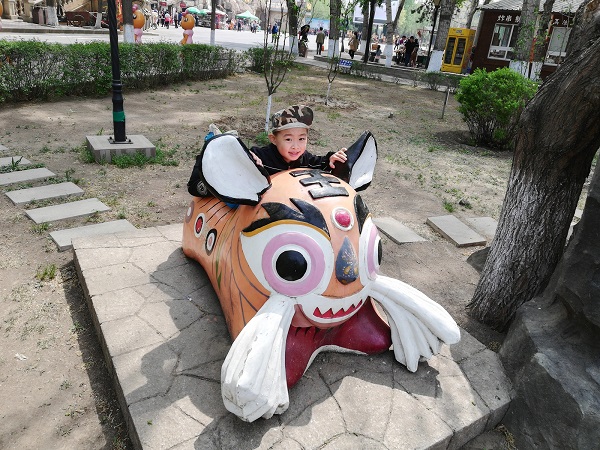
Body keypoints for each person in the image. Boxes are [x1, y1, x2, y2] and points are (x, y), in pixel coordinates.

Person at [187, 105, 347, 197]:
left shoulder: (304, 158)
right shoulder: (261, 156)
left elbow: (319, 163)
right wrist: (250, 165)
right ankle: (214, 144)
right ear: (273, 139)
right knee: (206, 188)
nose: (296, 146)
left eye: (302, 139)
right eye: (288, 139)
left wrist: (331, 159)